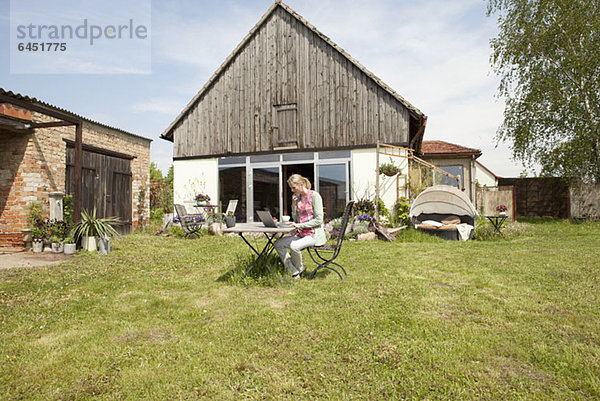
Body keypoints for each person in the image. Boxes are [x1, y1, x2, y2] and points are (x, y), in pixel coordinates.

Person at [274, 174, 326, 279]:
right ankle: (294, 270)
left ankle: (297, 273)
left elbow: (319, 220)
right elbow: (296, 218)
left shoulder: (314, 196)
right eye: (291, 188)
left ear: (301, 184)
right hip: (301, 234)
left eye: (294, 187)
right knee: (278, 244)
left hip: (313, 235)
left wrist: (299, 225)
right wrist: (293, 205)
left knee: (294, 246)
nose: (292, 190)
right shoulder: (298, 198)